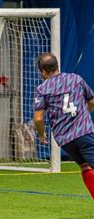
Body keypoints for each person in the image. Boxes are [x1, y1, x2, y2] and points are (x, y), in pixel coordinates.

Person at [34, 52, 94, 198]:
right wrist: (84, 113)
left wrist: (42, 135)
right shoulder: (75, 79)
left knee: (85, 166)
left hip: (65, 140)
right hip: (84, 132)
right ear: (57, 66)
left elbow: (38, 118)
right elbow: (91, 100)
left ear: (43, 71)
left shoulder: (42, 89)